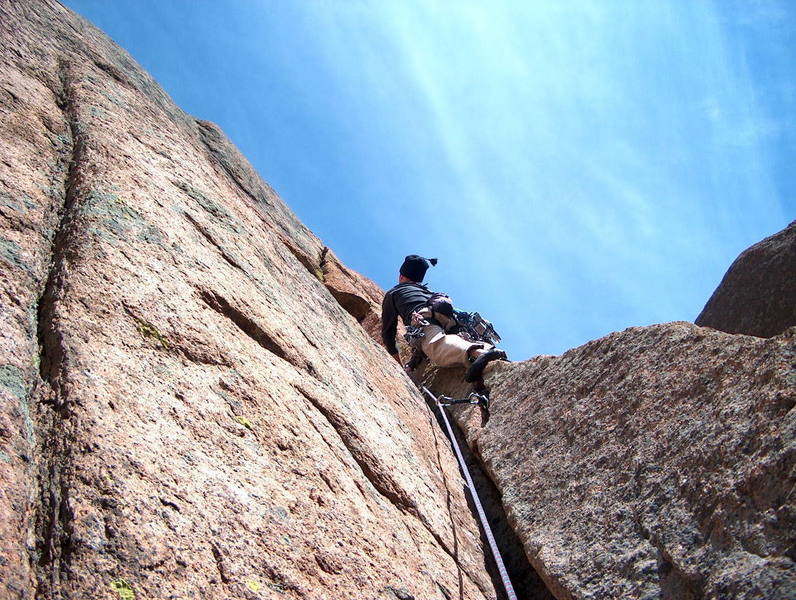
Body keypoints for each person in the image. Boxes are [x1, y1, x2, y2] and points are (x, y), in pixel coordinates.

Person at [381, 255, 507, 384]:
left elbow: (388, 332)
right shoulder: (426, 291)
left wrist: (398, 363)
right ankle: (491, 350)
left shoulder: (394, 293)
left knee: (437, 346)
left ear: (401, 275)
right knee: (458, 337)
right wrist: (413, 364)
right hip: (449, 317)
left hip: (424, 317)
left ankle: (479, 353)